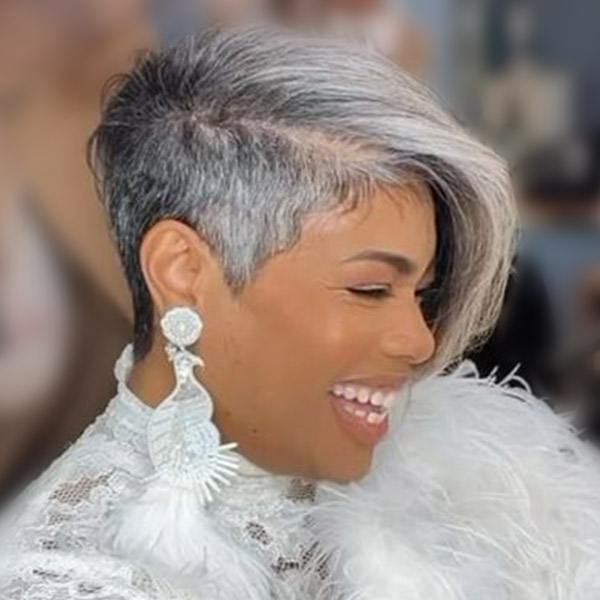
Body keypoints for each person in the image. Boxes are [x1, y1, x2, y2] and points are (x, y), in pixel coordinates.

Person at [2, 25, 600, 599]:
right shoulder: (69, 575)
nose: (421, 343)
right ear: (181, 270)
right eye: (370, 289)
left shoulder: (487, 481)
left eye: (422, 294)